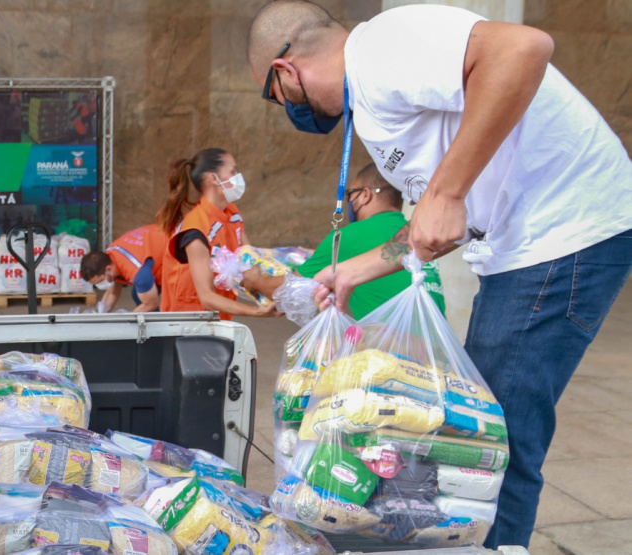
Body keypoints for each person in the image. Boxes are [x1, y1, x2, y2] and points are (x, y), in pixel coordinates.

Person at [247, 1, 632, 548]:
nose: (285, 107)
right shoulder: (378, 87)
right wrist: (365, 265)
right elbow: (440, 217)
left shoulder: (379, 48)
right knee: (477, 431)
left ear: (285, 72)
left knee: (494, 442)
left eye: (275, 96)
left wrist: (447, 191)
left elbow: (523, 49)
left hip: (561, 234)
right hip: (525, 244)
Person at [242, 163, 446, 319]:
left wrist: (256, 281)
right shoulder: (414, 232)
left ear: (365, 195)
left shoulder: (349, 236)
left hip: (392, 357)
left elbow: (289, 290)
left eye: (351, 194)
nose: (349, 201)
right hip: (437, 354)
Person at [157, 147, 279, 320]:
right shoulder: (195, 229)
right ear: (213, 178)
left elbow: (250, 263)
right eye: (233, 171)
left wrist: (285, 287)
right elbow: (206, 298)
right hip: (186, 326)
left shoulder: (232, 213)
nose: (238, 177)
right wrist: (257, 311)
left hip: (218, 322)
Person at [80, 224, 168, 312]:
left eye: (100, 281)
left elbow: (150, 304)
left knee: (172, 304)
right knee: (138, 294)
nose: (99, 285)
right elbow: (112, 293)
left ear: (109, 269)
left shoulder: (138, 272)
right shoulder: (109, 256)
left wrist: (127, 322)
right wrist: (101, 314)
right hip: (157, 242)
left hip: (175, 253)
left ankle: (160, 324)